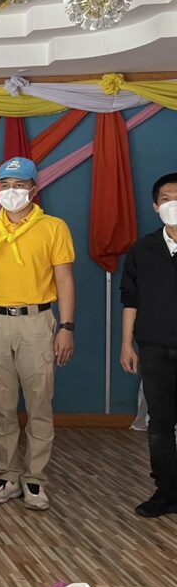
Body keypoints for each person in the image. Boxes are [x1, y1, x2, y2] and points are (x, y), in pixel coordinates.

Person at [0, 157, 75, 511]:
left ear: (33, 189)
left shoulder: (53, 228)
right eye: (5, 185)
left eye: (19, 185)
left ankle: (35, 480)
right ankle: (7, 475)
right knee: (2, 406)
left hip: (36, 322)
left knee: (39, 403)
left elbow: (64, 279)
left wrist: (66, 326)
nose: (11, 192)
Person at [120, 172, 177, 518]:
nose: (173, 205)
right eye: (167, 199)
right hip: (154, 348)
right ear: (156, 206)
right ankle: (166, 491)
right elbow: (131, 299)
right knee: (160, 424)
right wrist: (126, 343)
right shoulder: (142, 249)